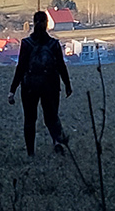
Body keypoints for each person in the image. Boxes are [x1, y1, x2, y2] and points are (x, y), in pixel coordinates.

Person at [8, 10, 72, 156]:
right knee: (52, 117)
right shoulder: (54, 45)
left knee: (30, 120)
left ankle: (31, 152)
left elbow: (21, 67)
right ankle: (57, 142)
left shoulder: (26, 44)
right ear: (47, 24)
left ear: (33, 23)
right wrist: (67, 85)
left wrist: (12, 90)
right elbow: (61, 66)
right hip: (51, 86)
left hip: (30, 86)